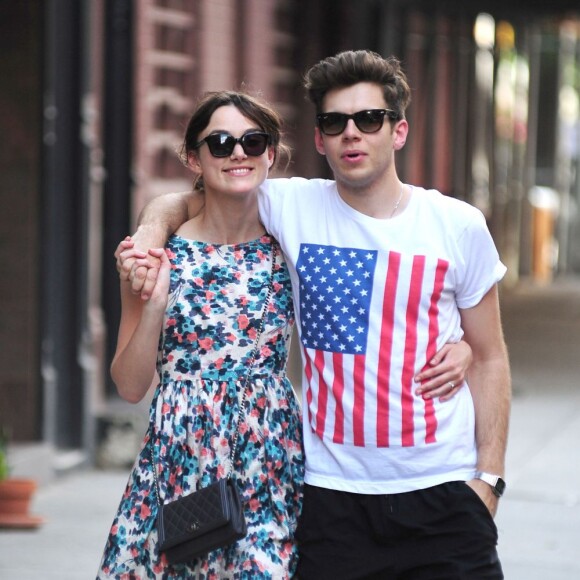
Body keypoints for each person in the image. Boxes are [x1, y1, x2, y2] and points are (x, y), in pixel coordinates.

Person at [118, 50, 509, 579]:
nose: (353, 133)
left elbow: (489, 358)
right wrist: (149, 232)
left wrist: (488, 481)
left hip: (443, 493)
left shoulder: (457, 225)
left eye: (369, 119)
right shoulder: (290, 206)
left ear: (398, 131)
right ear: (319, 139)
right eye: (335, 122)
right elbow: (196, 199)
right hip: (330, 499)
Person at [97, 90, 306, 579]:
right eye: (220, 142)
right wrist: (155, 303)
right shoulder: (156, 254)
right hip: (178, 462)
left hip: (267, 462)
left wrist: (463, 344)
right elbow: (129, 386)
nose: (238, 152)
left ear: (270, 154)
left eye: (254, 141)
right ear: (194, 156)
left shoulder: (292, 242)